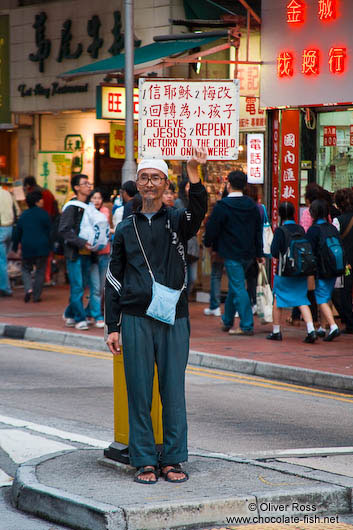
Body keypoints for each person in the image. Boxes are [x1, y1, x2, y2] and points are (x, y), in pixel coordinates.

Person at [105, 150, 208, 484]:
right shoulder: (124, 228)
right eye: (145, 178)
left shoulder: (177, 220)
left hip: (173, 316)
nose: (149, 184)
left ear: (166, 185)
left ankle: (174, 458)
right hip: (134, 317)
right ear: (138, 183)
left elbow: (198, 212)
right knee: (138, 390)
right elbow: (114, 279)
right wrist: (112, 326)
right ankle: (145, 459)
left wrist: (193, 174)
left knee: (172, 390)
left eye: (156, 178)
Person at [204, 170, 264, 336]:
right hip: (249, 253)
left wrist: (209, 244)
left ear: (228, 184)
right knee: (234, 286)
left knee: (238, 287)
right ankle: (227, 320)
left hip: (231, 253)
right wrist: (259, 253)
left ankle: (246, 325)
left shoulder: (222, 206)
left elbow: (212, 229)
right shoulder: (252, 205)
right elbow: (258, 231)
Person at [267, 202, 317, 343]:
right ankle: (311, 330)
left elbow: (274, 252)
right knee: (302, 300)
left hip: (284, 272)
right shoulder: (300, 229)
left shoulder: (280, 231)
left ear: (280, 214)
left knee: (278, 299)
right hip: (300, 271)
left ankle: (276, 331)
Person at [58, 174, 99, 330]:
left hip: (88, 253)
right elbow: (64, 230)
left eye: (89, 183)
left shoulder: (89, 207)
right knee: (78, 287)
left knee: (82, 286)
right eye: (85, 183)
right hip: (75, 253)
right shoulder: (72, 207)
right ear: (76, 187)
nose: (88, 186)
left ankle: (70, 314)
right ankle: (80, 318)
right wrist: (82, 243)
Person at [306, 199, 341, 342]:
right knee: (326, 297)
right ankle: (322, 326)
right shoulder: (332, 228)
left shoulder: (313, 230)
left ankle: (333, 326)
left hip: (321, 269)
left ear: (313, 213)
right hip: (335, 268)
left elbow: (309, 251)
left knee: (320, 298)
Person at [12, 190, 51, 303]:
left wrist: (15, 246)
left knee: (25, 269)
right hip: (42, 246)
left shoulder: (24, 215)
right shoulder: (44, 214)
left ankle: (28, 288)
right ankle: (37, 295)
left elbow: (17, 233)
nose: (43, 201)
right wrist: (51, 245)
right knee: (40, 271)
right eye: (41, 199)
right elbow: (50, 231)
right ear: (37, 201)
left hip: (27, 246)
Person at [332, 188, 353, 334]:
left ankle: (350, 322)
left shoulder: (338, 221)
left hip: (346, 263)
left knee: (342, 292)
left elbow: (335, 243)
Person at [174, 178, 200, 296]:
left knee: (193, 277)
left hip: (193, 244)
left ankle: (185, 298)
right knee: (185, 276)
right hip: (184, 242)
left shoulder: (192, 202)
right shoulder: (179, 202)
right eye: (187, 186)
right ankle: (183, 300)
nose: (190, 189)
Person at [0, 183, 20, 297]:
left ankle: (5, 288)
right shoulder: (8, 193)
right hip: (10, 228)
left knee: (1, 260)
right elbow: (17, 211)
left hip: (1, 228)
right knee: (3, 259)